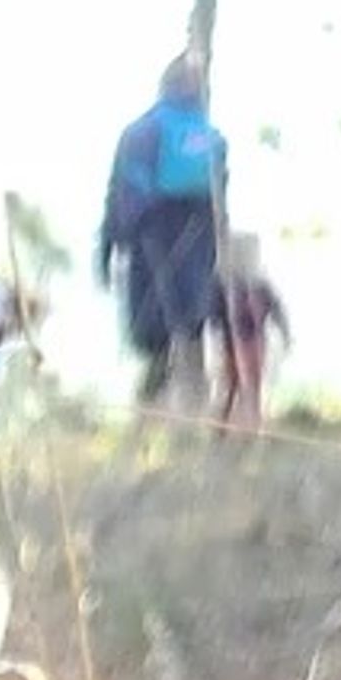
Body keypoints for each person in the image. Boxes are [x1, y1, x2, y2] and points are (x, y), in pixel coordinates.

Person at [98, 49, 229, 410]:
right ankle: (194, 408)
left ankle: (151, 407)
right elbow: (221, 201)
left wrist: (108, 248)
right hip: (198, 233)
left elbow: (118, 191)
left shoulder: (141, 131)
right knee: (191, 322)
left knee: (152, 327)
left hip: (150, 232)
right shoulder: (213, 138)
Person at [215, 233, 292, 434]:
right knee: (231, 387)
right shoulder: (222, 285)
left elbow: (277, 310)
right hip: (230, 344)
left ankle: (253, 427)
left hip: (255, 341)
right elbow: (212, 314)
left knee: (253, 385)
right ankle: (223, 427)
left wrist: (285, 334)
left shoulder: (261, 284)